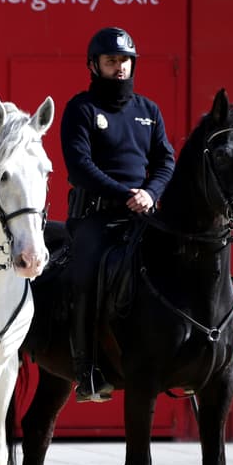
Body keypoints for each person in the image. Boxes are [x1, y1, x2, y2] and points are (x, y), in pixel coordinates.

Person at [61, 26, 175, 400]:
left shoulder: (148, 110)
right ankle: (86, 370)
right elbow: (79, 167)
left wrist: (151, 192)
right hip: (95, 218)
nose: (120, 68)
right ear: (94, 66)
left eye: (125, 61)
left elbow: (165, 161)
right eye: (111, 61)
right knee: (86, 275)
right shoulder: (81, 108)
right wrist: (125, 193)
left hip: (142, 214)